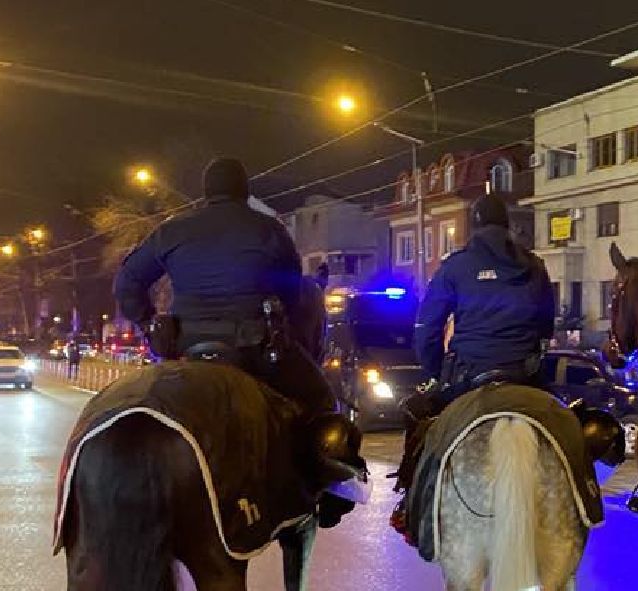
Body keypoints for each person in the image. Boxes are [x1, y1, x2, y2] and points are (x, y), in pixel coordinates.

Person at [114, 158, 358, 516]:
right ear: (245, 192)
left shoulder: (172, 230)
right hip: (252, 347)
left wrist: (148, 321)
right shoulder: (268, 230)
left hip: (186, 349)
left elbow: (127, 281)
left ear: (206, 192)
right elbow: (291, 291)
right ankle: (332, 490)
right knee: (322, 400)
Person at [390, 193, 556, 536]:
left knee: (421, 424)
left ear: (475, 224)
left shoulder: (455, 266)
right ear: (508, 225)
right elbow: (545, 330)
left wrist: (436, 373)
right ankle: (584, 497)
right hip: (524, 376)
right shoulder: (534, 265)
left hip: (468, 377)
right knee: (567, 425)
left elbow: (427, 329)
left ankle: (410, 507)